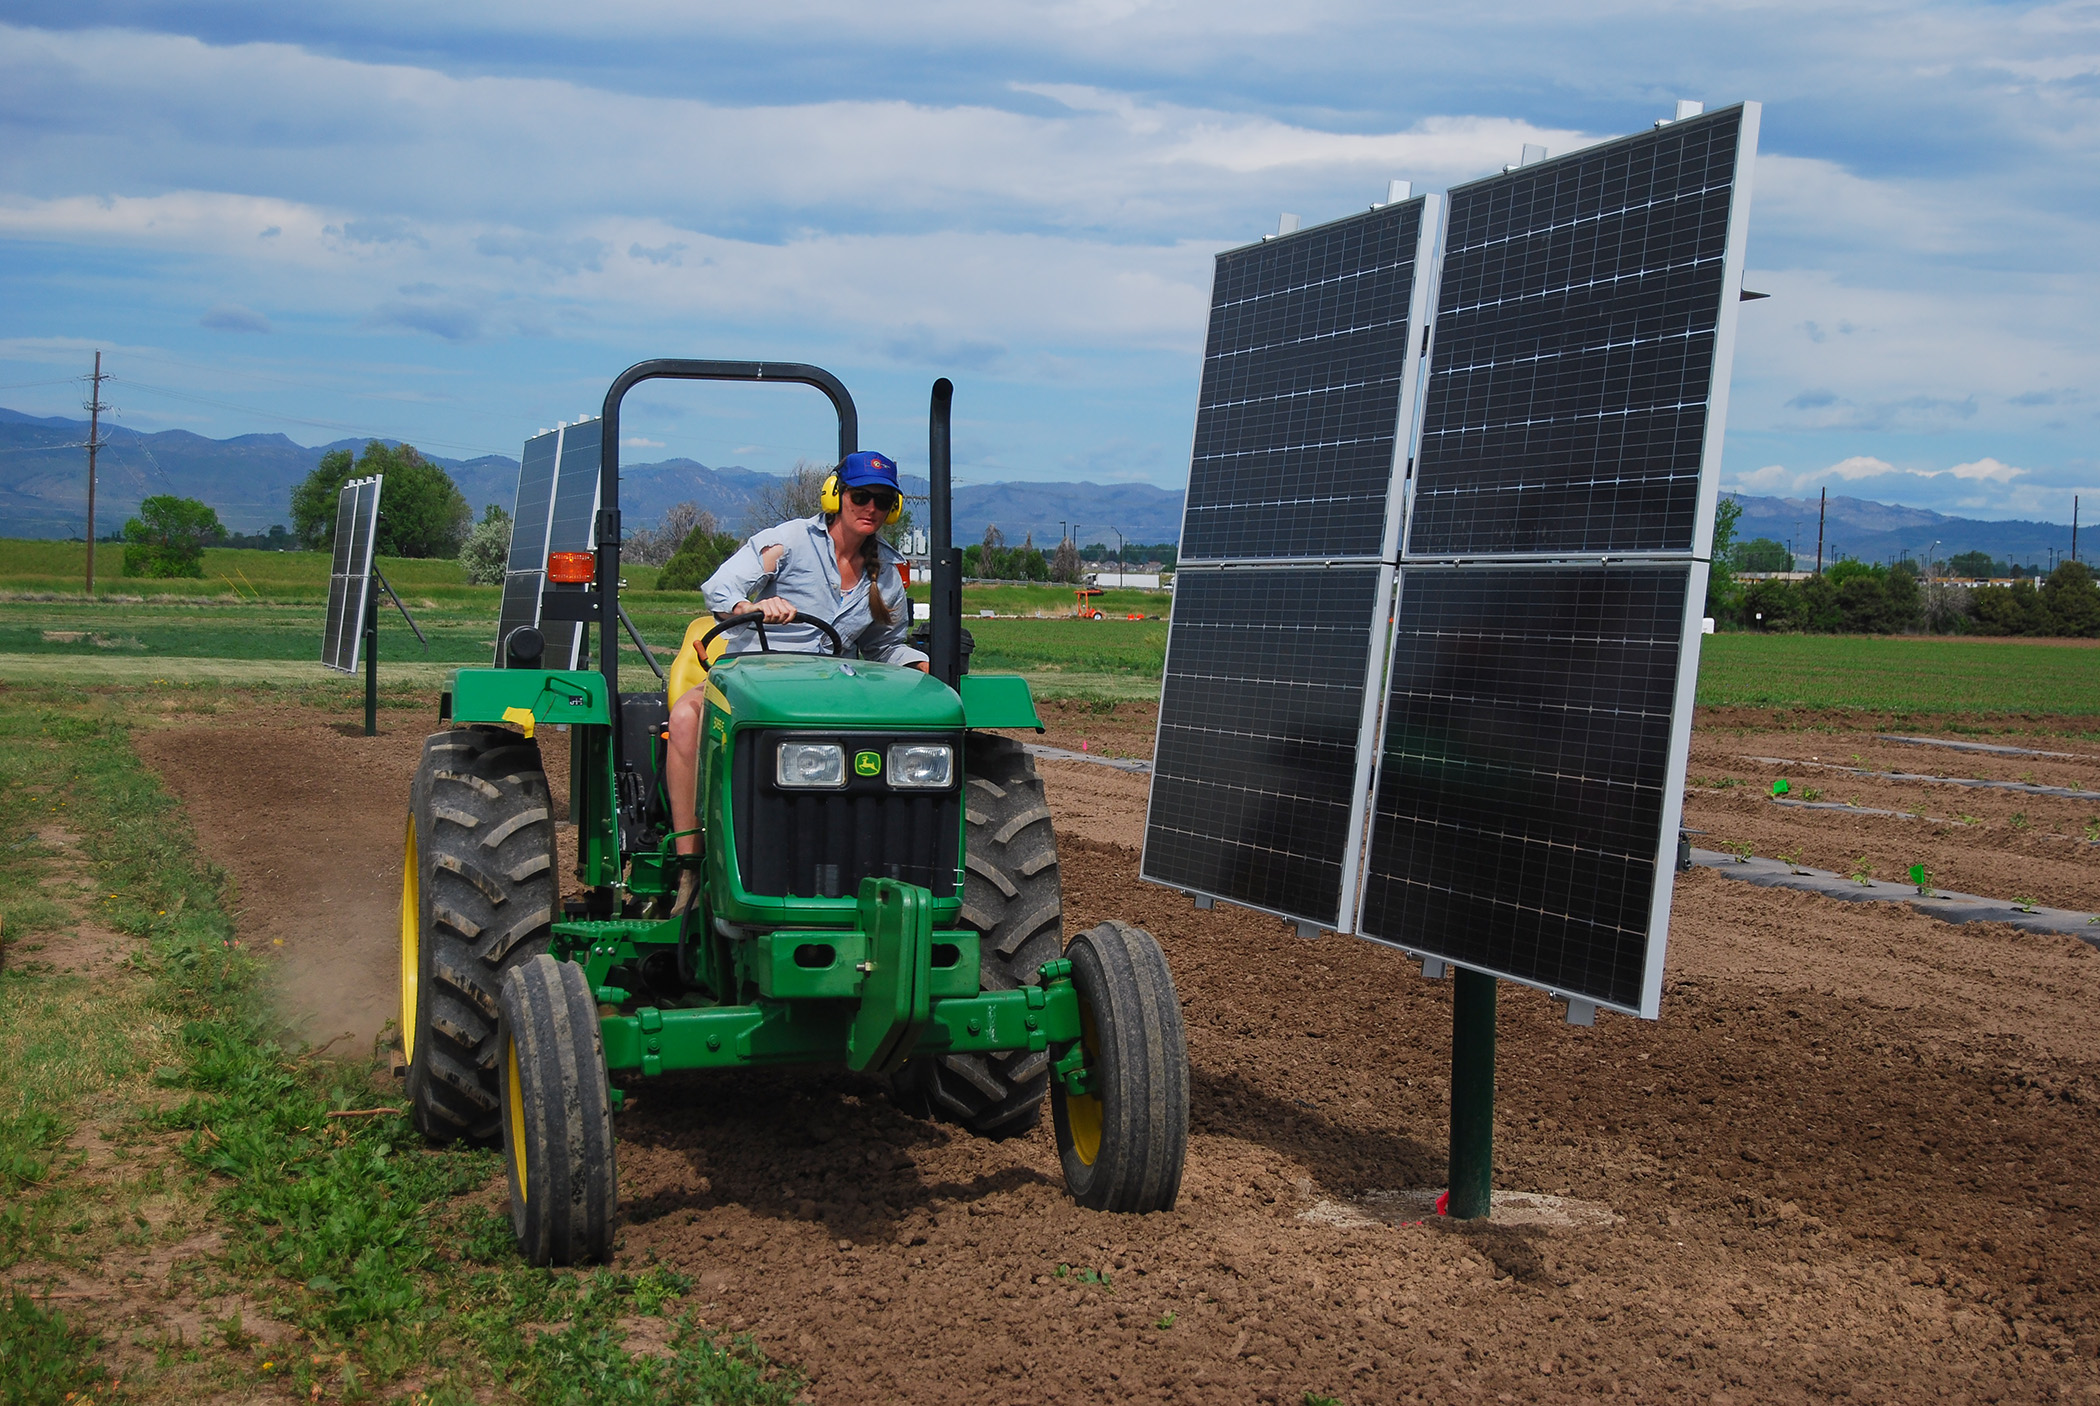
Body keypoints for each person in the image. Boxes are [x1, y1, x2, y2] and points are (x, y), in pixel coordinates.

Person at [663, 450, 928, 907]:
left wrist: (917, 666)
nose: (870, 508)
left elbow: (884, 646)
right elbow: (720, 587)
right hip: (752, 676)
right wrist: (751, 607)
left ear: (893, 509)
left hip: (830, 691)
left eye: (882, 501)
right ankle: (690, 867)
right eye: (860, 496)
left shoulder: (885, 575)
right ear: (835, 496)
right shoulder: (789, 542)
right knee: (687, 717)